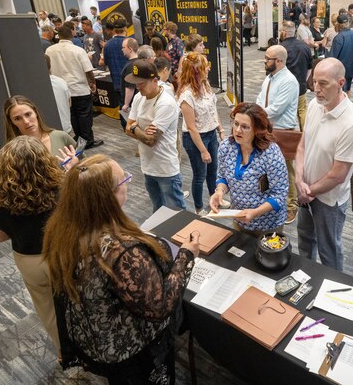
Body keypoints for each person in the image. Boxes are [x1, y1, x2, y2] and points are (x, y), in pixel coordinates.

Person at [43, 154, 199, 384]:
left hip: (98, 340)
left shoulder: (64, 229)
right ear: (109, 198)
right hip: (131, 351)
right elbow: (160, 305)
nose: (128, 182)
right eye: (124, 180)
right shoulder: (123, 252)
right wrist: (186, 256)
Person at [0, 136, 74, 355]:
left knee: (47, 309)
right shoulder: (64, 188)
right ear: (45, 160)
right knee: (78, 302)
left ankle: (65, 354)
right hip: (66, 255)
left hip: (30, 262)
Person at [295, 58, 353, 271]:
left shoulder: (351, 123)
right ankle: (306, 275)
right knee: (305, 239)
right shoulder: (316, 105)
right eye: (314, 82)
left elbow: (338, 175)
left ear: (341, 82)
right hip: (305, 190)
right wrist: (299, 180)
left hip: (328, 199)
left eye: (323, 83)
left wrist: (309, 191)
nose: (316, 89)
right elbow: (302, 146)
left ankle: (333, 290)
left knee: (329, 250)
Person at [210, 103, 288, 235]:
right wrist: (219, 192)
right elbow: (222, 177)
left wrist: (255, 212)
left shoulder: (271, 153)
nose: (238, 130)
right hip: (239, 219)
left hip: (268, 224)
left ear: (257, 130)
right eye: (236, 124)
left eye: (245, 127)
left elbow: (280, 194)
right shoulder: (226, 147)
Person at [126, 60, 186, 212]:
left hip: (166, 169)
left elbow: (150, 140)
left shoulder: (166, 103)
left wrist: (134, 128)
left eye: (142, 83)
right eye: (136, 83)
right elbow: (128, 127)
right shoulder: (139, 97)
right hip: (147, 167)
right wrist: (135, 128)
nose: (138, 87)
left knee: (177, 215)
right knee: (158, 211)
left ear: (154, 80)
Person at [255, 45, 299, 224]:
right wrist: (257, 112)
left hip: (282, 131)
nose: (265, 61)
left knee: (286, 171)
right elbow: (260, 99)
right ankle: (273, 201)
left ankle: (291, 206)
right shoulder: (270, 78)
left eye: (268, 58)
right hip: (268, 129)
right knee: (268, 168)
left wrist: (256, 115)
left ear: (279, 61)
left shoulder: (289, 81)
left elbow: (276, 109)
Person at [177, 53, 224, 214]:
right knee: (200, 175)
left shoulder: (206, 85)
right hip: (195, 139)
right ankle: (198, 208)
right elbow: (191, 127)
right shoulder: (186, 95)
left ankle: (215, 198)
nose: (209, 68)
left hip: (211, 135)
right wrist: (203, 150)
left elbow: (212, 110)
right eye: (206, 66)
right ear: (197, 71)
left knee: (213, 170)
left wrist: (220, 129)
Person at [46, 24, 103, 148]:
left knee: (72, 115)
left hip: (61, 90)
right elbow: (88, 70)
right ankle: (87, 140)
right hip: (79, 88)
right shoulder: (78, 50)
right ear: (72, 33)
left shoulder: (50, 50)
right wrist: (93, 83)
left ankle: (78, 137)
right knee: (84, 115)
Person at [3, 94, 76, 155]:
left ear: (35, 113)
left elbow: (85, 164)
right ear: (11, 122)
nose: (26, 121)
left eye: (28, 114)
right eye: (17, 119)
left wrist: (75, 165)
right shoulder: (11, 152)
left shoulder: (60, 137)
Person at [279, 21, 312, 131]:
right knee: (302, 110)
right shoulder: (305, 47)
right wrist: (303, 80)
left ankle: (289, 135)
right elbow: (309, 68)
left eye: (280, 31)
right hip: (301, 86)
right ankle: (305, 135)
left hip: (284, 87)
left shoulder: (281, 49)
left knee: (286, 112)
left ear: (284, 32)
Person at [331, 14, 353, 96]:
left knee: (340, 92)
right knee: (348, 89)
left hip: (341, 70)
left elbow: (333, 58)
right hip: (352, 68)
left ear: (338, 24)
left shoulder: (339, 38)